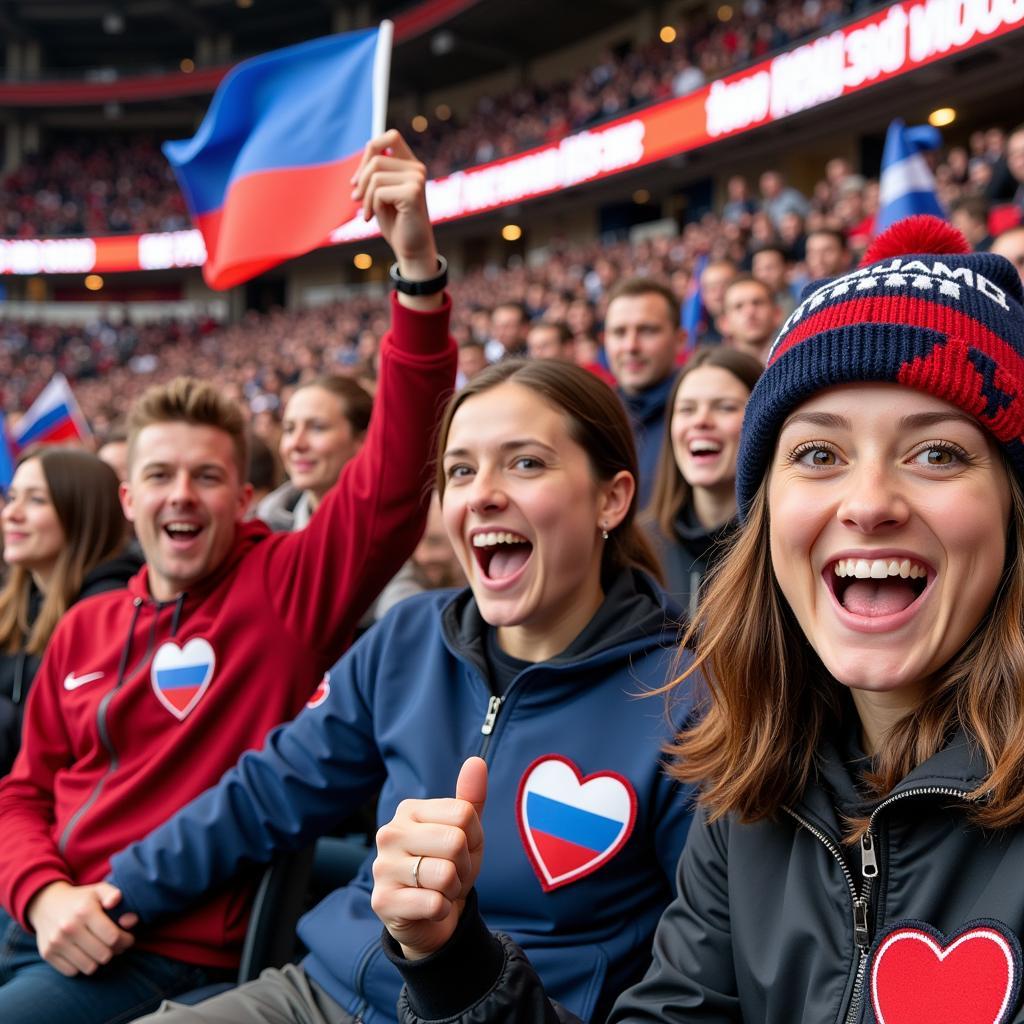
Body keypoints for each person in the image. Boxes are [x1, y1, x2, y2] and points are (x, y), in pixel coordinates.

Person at [374, 215, 1024, 1024]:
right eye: (819, 454)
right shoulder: (746, 785)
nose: (868, 504)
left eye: (937, 453)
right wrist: (453, 963)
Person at [0, 129, 456, 1024]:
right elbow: (23, 787)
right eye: (161, 478)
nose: (183, 496)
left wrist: (416, 271)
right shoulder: (86, 625)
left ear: (246, 497)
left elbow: (397, 476)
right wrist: (40, 892)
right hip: (43, 913)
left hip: (156, 949)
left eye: (207, 478)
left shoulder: (284, 586)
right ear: (129, 498)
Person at [103, 359, 695, 1024]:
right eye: (461, 470)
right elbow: (268, 791)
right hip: (319, 995)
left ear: (611, 499)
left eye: (525, 464)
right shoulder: (409, 636)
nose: (482, 495)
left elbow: (701, 976)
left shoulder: (687, 699)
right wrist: (113, 893)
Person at [0, 449, 140, 776]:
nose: (11, 513)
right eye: (12, 497)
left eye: (36, 501)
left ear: (82, 514)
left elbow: (64, 748)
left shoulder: (113, 613)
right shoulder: (15, 606)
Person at [645, 347, 763, 618]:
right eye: (687, 409)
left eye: (725, 407)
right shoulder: (639, 549)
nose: (700, 421)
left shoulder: (782, 550)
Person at [602, 278, 686, 506]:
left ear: (680, 340)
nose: (631, 346)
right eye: (619, 332)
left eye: (647, 330)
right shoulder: (591, 417)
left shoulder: (703, 419)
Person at [256, 376, 372, 532]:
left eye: (317, 428)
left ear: (362, 441)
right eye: (289, 429)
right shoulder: (264, 531)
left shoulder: (401, 533)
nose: (296, 444)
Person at [719, 274, 779, 364]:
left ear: (777, 314)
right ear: (724, 323)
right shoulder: (717, 371)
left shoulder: (797, 360)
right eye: (738, 306)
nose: (749, 312)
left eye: (757, 303)